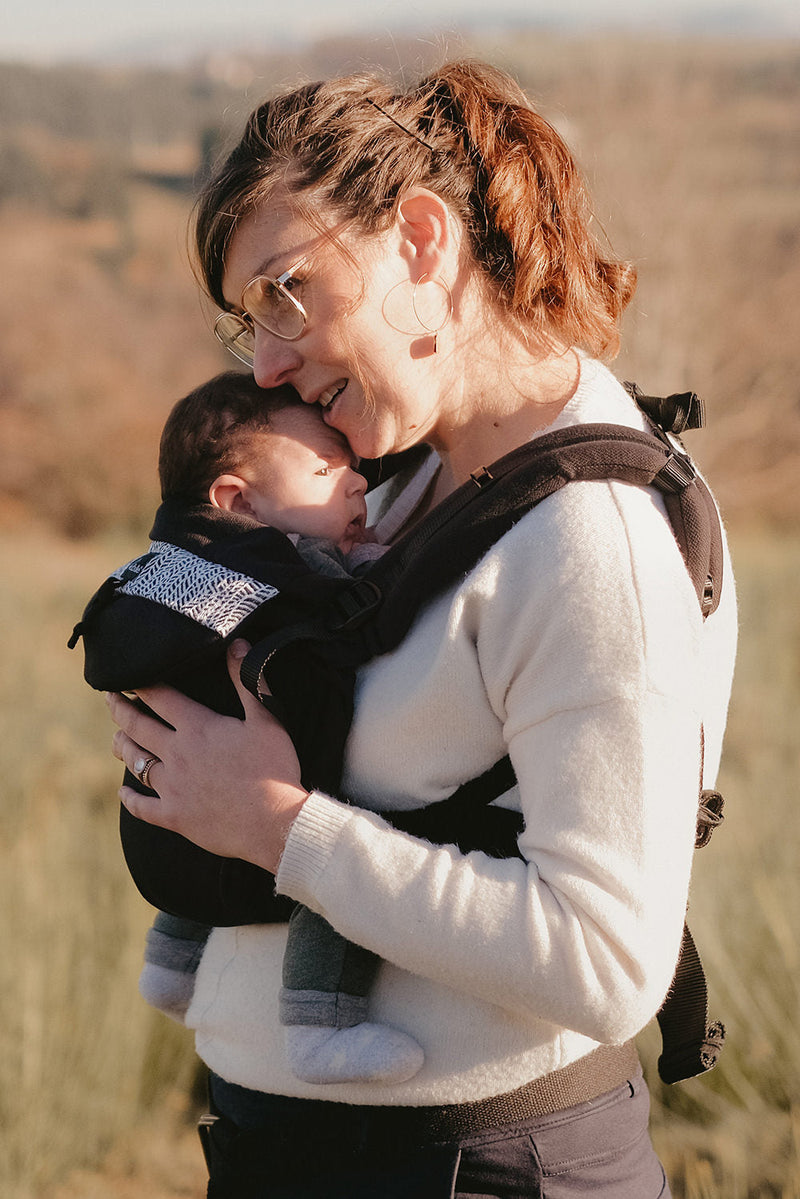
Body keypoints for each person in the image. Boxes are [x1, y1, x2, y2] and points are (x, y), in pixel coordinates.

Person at [106, 60, 737, 1198]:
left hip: (482, 1170)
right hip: (288, 1155)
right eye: (246, 319)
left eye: (288, 291)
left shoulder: (591, 539)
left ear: (419, 241)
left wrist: (275, 826)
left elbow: (605, 961)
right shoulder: (399, 487)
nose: (263, 362)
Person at [74, 369, 429, 1085]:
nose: (357, 483)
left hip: (161, 829)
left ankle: (172, 965)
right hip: (252, 835)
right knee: (336, 843)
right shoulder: (276, 573)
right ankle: (320, 1024)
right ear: (238, 500)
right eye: (327, 468)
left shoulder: (167, 573)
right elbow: (348, 616)